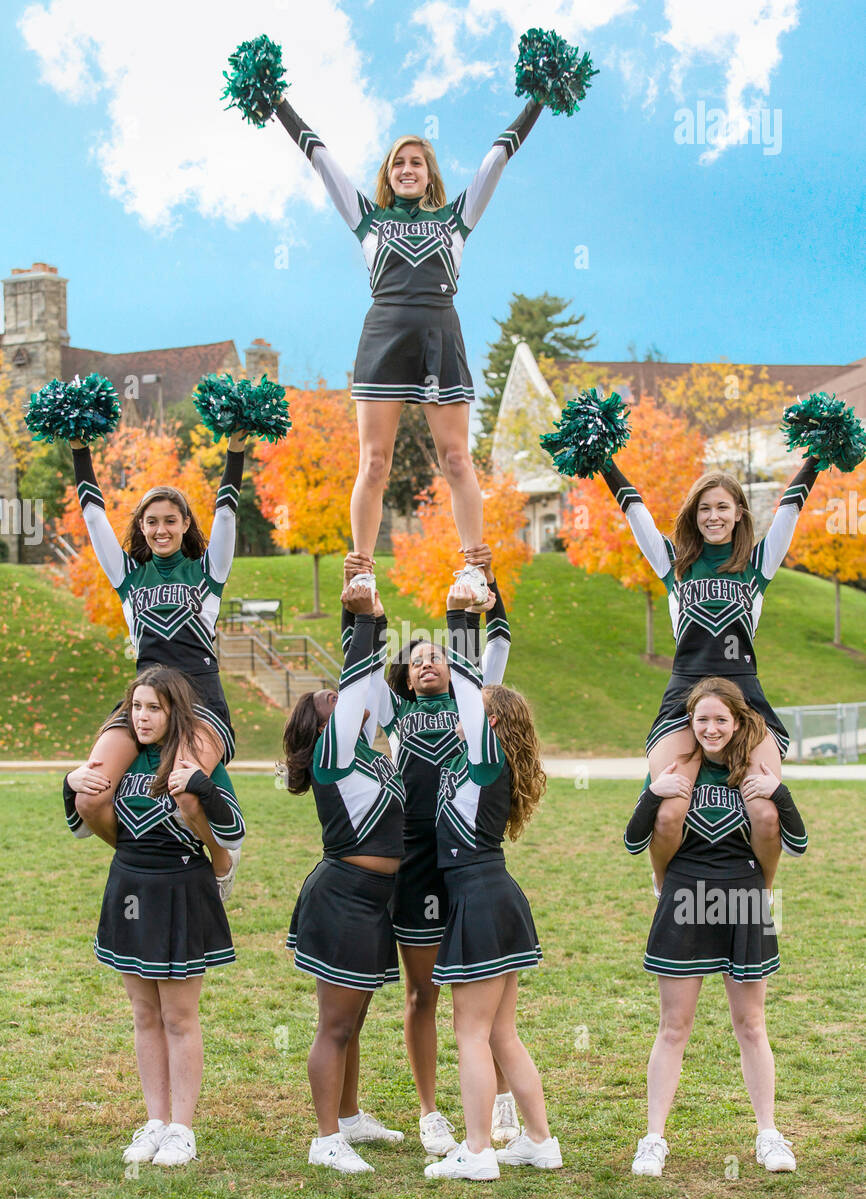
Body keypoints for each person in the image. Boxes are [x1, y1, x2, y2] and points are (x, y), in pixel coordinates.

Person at [277, 88, 544, 583]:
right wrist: (278, 104)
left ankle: (473, 569)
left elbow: (496, 159)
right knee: (374, 462)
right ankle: (361, 570)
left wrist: (538, 100)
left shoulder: (456, 220)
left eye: (417, 162)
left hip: (441, 338)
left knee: (458, 458)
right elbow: (321, 160)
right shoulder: (368, 220)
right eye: (399, 162)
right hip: (383, 340)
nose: (407, 169)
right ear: (388, 174)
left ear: (429, 175)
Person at [345, 546, 518, 1155]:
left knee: (483, 992)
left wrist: (486, 585)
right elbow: (362, 670)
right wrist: (361, 612)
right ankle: (428, 1111)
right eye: (416, 660)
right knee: (423, 993)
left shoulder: (476, 700)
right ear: (407, 675)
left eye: (437, 657)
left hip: (468, 861)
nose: (427, 665)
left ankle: (500, 1102)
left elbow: (496, 640)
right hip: (415, 859)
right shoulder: (392, 712)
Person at [599, 456, 819, 890]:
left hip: (745, 698)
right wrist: (604, 460)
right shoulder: (674, 565)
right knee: (671, 802)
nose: (713, 516)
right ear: (693, 516)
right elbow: (634, 511)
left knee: (764, 805)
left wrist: (816, 457)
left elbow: (790, 509)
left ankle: (764, 893)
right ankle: (663, 887)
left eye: (722, 507)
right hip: (685, 694)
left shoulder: (758, 565)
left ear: (739, 513)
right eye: (703, 508)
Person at [624, 676, 808, 1178]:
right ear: (691, 723)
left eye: (720, 719)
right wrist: (652, 793)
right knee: (674, 1027)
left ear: (738, 721)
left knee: (751, 1025)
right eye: (701, 719)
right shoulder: (675, 769)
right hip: (685, 895)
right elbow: (632, 840)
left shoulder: (755, 771)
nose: (710, 728)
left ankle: (768, 1133)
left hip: (745, 898)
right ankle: (654, 1138)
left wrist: (780, 791)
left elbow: (799, 841)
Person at [63, 666, 246, 1167]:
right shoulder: (123, 761)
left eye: (154, 708)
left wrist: (203, 788)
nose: (142, 717)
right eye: (136, 707)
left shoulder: (191, 759)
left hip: (181, 887)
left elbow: (234, 831)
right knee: (145, 1014)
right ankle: (156, 1121)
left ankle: (183, 1129)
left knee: (179, 1016)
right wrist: (70, 782)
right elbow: (83, 826)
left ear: (174, 712)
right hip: (129, 886)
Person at [423, 581, 561, 1181]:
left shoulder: (484, 757)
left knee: (472, 1032)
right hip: (492, 897)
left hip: (482, 900)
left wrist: (459, 614)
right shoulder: (473, 762)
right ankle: (539, 1141)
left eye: (470, 704)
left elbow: (462, 680)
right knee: (501, 1032)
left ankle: (477, 1151)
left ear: (491, 718)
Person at [68, 431, 250, 846]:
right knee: (90, 793)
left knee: (187, 790)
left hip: (200, 698)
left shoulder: (209, 571)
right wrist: (80, 450)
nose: (161, 529)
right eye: (151, 521)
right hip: (144, 697)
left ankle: (223, 863)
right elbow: (94, 517)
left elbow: (226, 513)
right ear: (141, 527)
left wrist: (235, 450)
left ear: (186, 524)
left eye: (171, 520)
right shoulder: (128, 575)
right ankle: (138, 858)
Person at [281, 581, 406, 1174]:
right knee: (335, 1023)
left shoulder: (371, 753)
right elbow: (359, 678)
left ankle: (351, 1117)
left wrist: (367, 611)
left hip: (377, 900)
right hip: (344, 898)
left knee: (354, 1017)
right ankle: (325, 1137)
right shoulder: (334, 758)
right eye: (331, 702)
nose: (346, 702)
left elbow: (368, 684)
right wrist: (362, 623)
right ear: (320, 730)